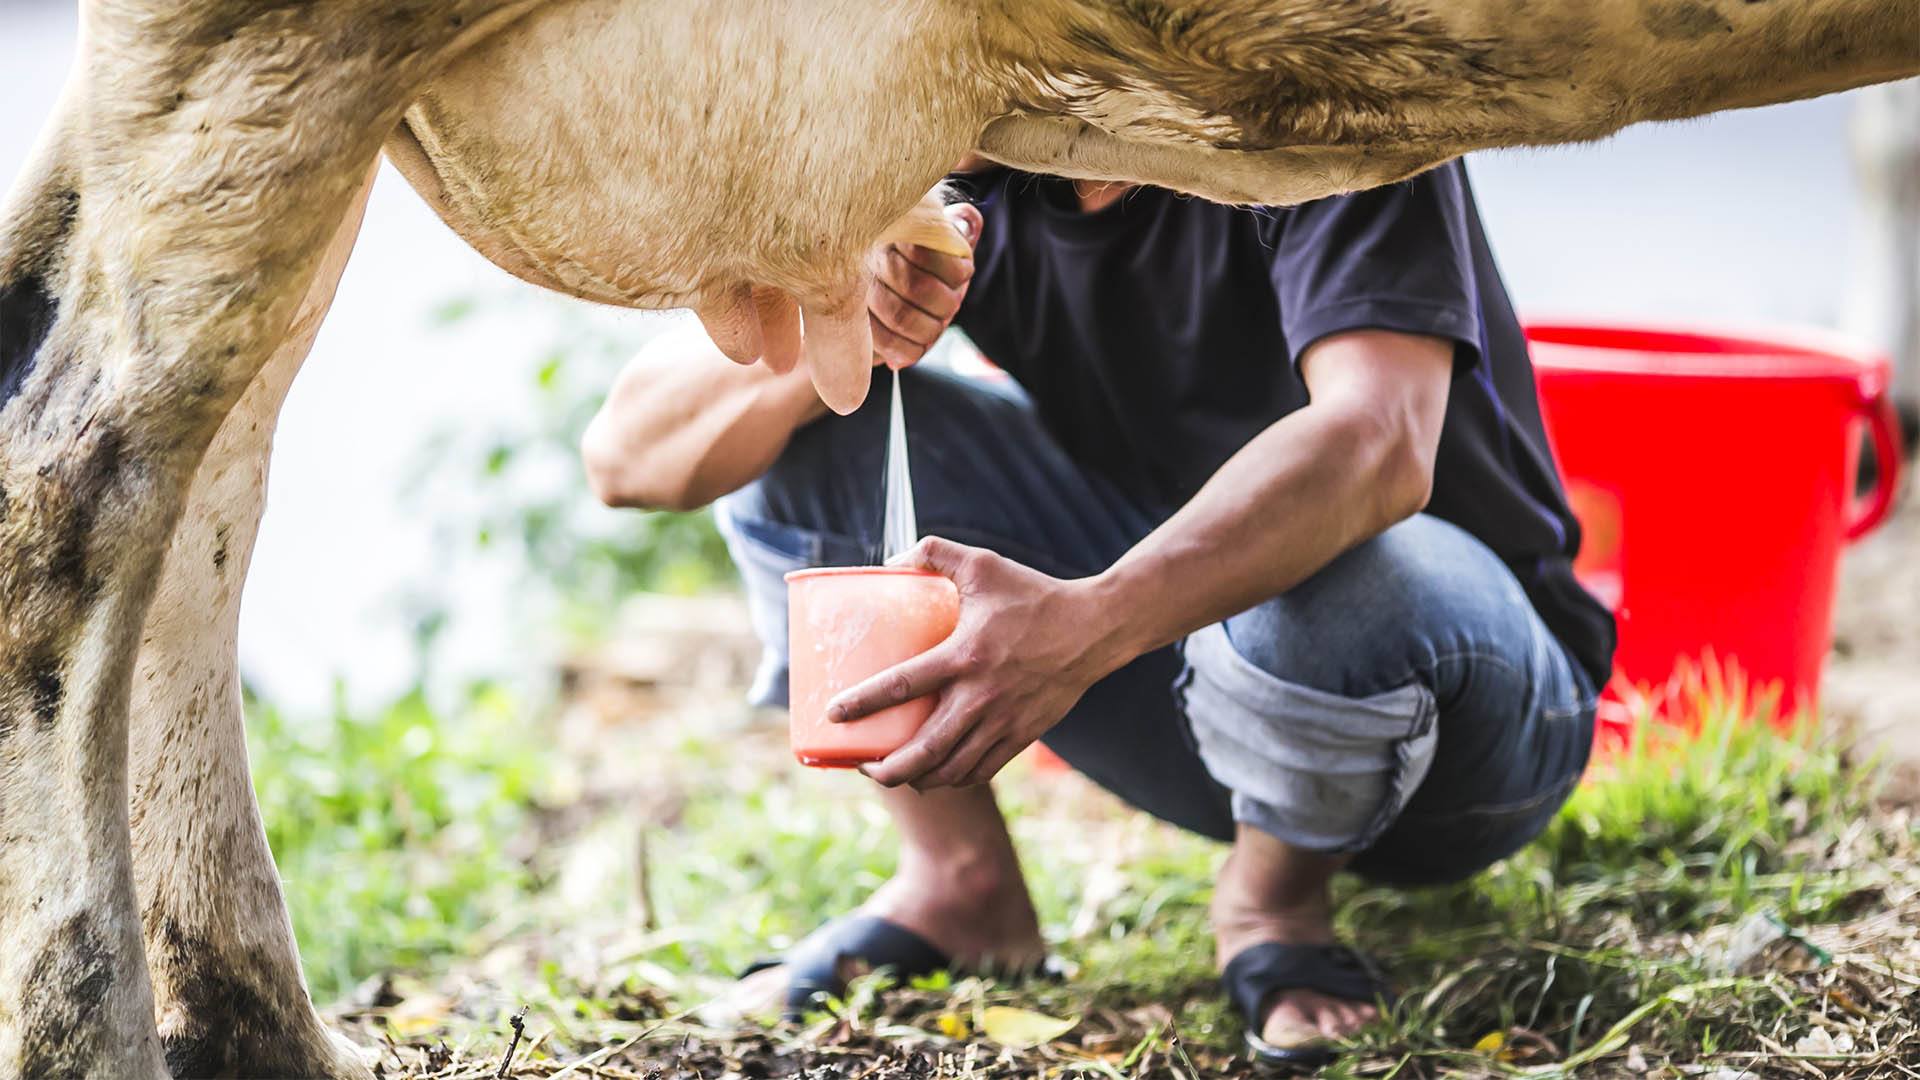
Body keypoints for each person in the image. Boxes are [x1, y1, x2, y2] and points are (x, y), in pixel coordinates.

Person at [581, 158, 1615, 1067]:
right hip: (1198, 681)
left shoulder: (1325, 89)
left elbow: (1379, 444)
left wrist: (1083, 626)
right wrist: (842, 323)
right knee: (806, 442)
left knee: (1354, 571)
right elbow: (627, 456)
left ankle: (1272, 902)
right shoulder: (977, 159)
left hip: (1467, 719)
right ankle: (961, 883)